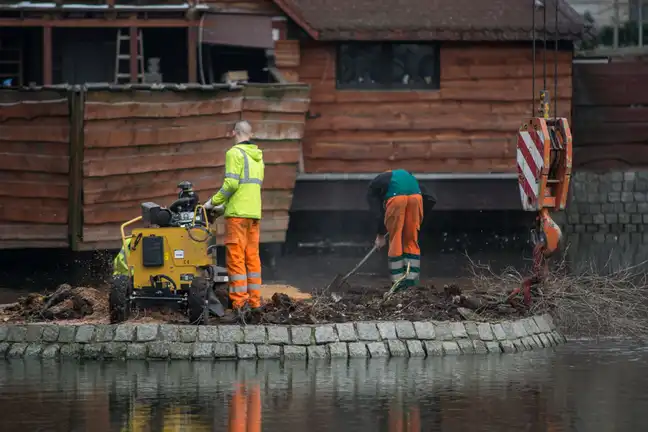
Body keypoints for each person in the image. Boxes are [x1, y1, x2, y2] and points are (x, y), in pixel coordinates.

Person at [204, 120, 265, 316]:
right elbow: (248, 188)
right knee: (252, 258)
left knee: (236, 258)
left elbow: (231, 184)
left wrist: (213, 202)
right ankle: (255, 302)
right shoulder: (258, 157)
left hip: (237, 216)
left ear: (234, 133)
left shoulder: (234, 153)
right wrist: (225, 206)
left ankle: (239, 305)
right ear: (250, 133)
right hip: (254, 214)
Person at [367, 169, 436, 290]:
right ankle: (411, 283)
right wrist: (417, 219)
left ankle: (398, 285)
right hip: (416, 198)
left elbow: (377, 213)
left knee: (396, 240)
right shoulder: (409, 178)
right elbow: (431, 199)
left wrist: (380, 235)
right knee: (411, 240)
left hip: (396, 199)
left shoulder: (373, 188)